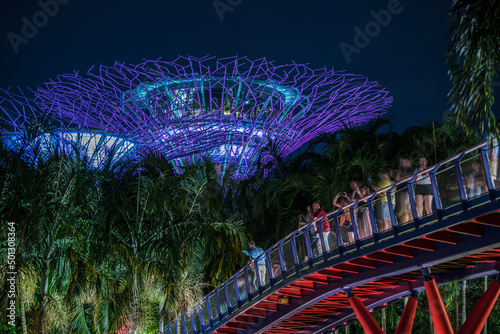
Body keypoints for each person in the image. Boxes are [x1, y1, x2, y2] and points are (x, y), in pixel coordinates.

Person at [394, 158, 413, 225]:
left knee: (406, 209)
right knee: (405, 209)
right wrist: (399, 174)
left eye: (405, 162)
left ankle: (407, 225)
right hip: (401, 191)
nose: (403, 164)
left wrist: (401, 177)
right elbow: (397, 180)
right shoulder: (400, 170)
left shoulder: (411, 169)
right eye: (402, 162)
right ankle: (408, 224)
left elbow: (408, 177)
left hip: (407, 191)